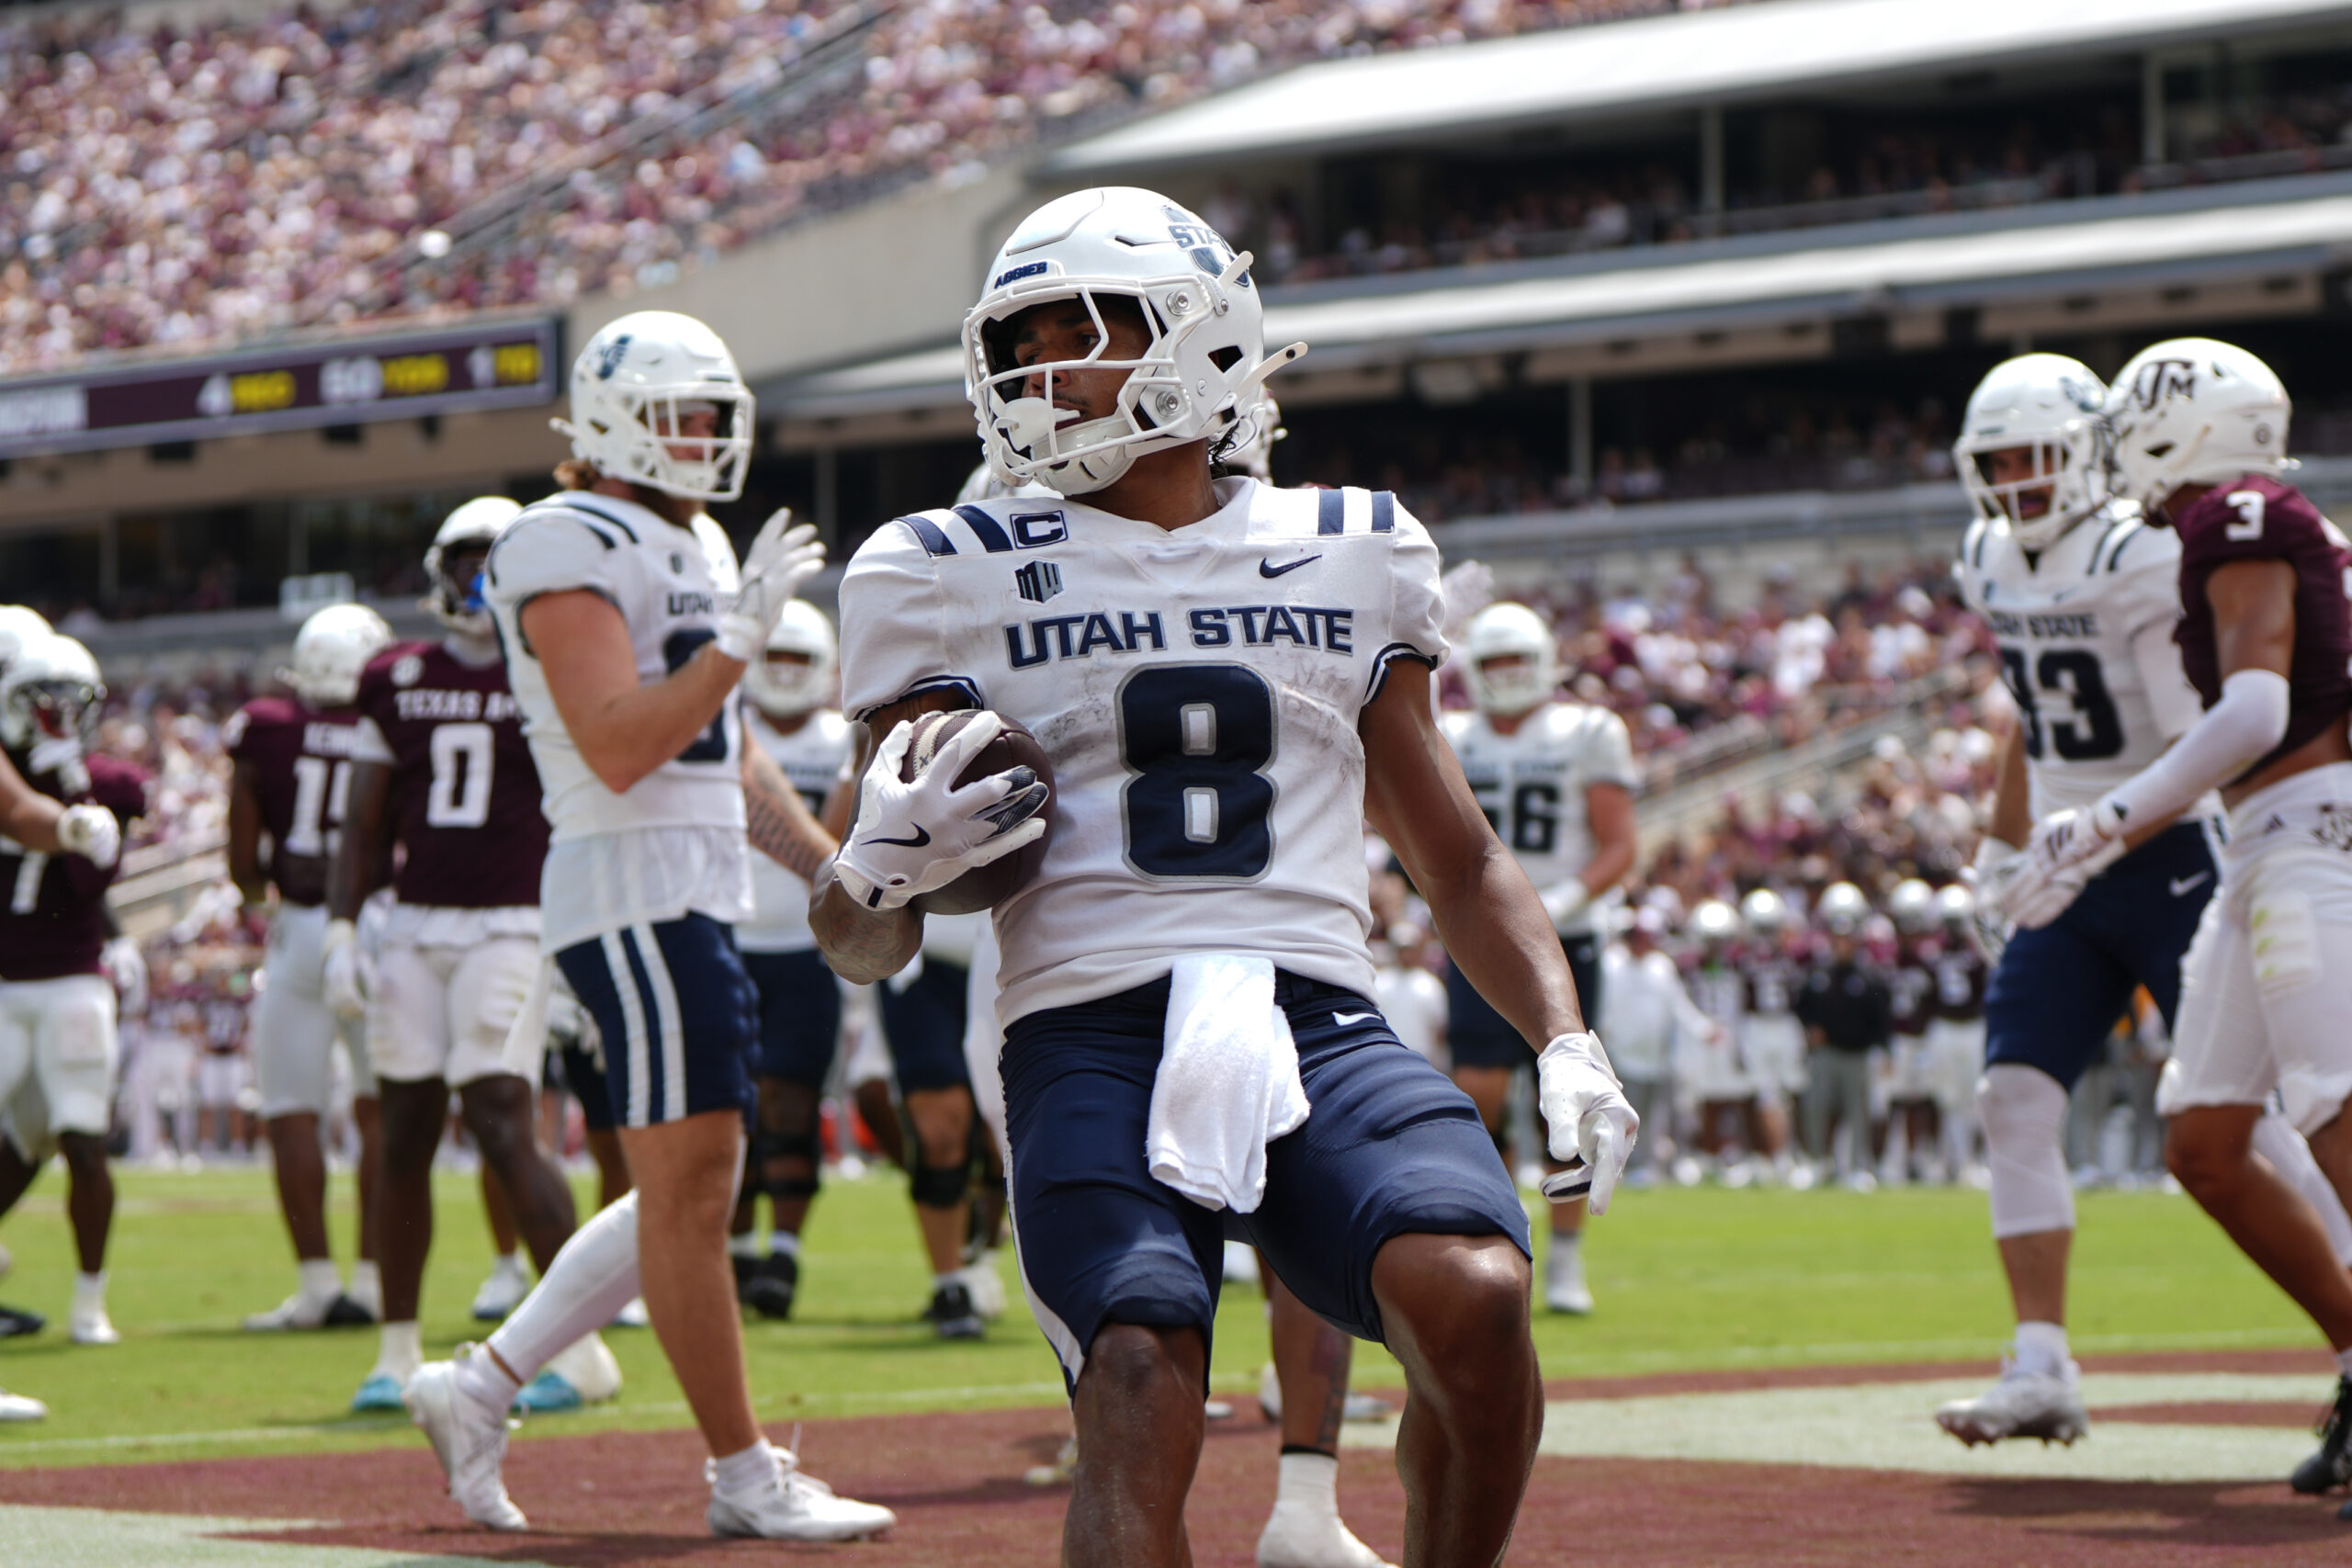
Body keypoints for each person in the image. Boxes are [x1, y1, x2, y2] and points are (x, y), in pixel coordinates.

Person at [814, 186, 1636, 1568]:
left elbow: (1456, 851)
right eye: (1015, 342)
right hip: (1086, 1027)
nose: (1031, 373)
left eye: (1070, 331)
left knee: (1481, 1292)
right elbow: (857, 938)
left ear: (1195, 337)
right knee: (1135, 1369)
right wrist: (874, 872)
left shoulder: (1355, 541)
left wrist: (1563, 1032)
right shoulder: (941, 565)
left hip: (1317, 1010)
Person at [405, 310, 892, 1541]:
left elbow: (720, 758)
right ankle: (740, 1472)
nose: (706, 439)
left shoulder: (695, 535)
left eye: (714, 416)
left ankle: (479, 1385)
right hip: (625, 889)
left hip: (692, 887)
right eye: (684, 413)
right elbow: (624, 743)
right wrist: (733, 646)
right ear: (619, 416)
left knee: (695, 1187)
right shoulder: (558, 535)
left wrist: (831, 867)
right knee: (688, 1194)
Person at [2010, 337, 2352, 1506]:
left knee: (2333, 1113)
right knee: (2205, 1140)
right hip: (2269, 840)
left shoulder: (2240, 513)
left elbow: (2256, 707)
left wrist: (2101, 818)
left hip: (2312, 835)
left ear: (2184, 422)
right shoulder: (2250, 519)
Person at [1937, 352, 2226, 1445]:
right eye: (1995, 461)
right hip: (2065, 866)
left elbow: (2199, 742)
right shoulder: (1990, 557)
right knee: (2010, 1100)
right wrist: (1999, 848)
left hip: (2169, 853)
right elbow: (2025, 713)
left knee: (2248, 1115)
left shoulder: (2136, 550)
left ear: (2089, 453)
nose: (2014, 481)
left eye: (2034, 457)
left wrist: (2095, 832)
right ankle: (2040, 1363)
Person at [326, 497, 612, 1416]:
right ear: (438, 569)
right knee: (402, 1131)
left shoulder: (552, 672)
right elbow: (363, 823)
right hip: (414, 925)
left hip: (509, 924)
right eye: (467, 562)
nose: (479, 582)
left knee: (498, 1115)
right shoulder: (393, 674)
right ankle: (395, 1348)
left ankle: (583, 1344)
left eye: (497, 563)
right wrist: (340, 931)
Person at [1441, 599, 1638, 1314]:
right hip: (1479, 934)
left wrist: (1562, 902)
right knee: (1479, 1088)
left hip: (1569, 936)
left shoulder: (1587, 729)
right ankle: (1503, 1232)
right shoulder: (1451, 730)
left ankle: (1565, 1259)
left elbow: (1619, 843)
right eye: (1494, 662)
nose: (1509, 674)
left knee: (1569, 1103)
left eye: (1519, 658)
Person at [225, 602, 391, 1330]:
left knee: (292, 1109)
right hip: (377, 921)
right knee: (382, 1111)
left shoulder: (267, 726)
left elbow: (239, 858)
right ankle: (381, 1283)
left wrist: (261, 893)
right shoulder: (386, 722)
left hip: (299, 927)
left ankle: (319, 1284)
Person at [0, 633, 146, 1348]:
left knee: (83, 1140)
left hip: (69, 980)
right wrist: (65, 810)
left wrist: (76, 788)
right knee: (16, 1144)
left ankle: (90, 1301)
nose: (60, 714)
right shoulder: (8, 771)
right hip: (2, 983)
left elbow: (93, 880)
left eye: (71, 701)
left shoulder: (106, 781)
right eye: (44, 700)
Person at [727, 600, 857, 1322]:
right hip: (734, 938)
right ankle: (740, 1248)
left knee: (791, 1102)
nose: (781, 670)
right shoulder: (726, 727)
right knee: (733, 1105)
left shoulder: (843, 738)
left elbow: (840, 838)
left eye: (796, 658)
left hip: (806, 951)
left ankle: (784, 1250)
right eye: (772, 655)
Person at [1795, 882, 1888, 1186]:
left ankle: (1860, 1167)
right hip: (1825, 1053)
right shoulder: (1819, 973)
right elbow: (1801, 1005)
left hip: (1856, 1054)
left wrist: (1882, 1048)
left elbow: (1881, 1015)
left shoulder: (1867, 975)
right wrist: (1810, 1029)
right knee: (1817, 1108)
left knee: (1858, 1112)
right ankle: (1818, 1163)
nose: (1843, 943)